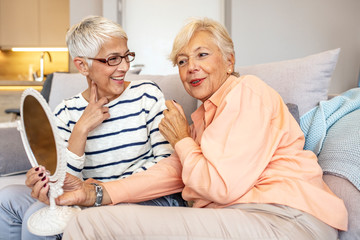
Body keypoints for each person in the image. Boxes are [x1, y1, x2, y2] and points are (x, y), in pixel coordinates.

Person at [35, 17, 347, 240]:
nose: (191, 67)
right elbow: (173, 172)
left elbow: (220, 186)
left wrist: (182, 140)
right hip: (242, 217)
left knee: (90, 226)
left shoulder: (247, 92)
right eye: (182, 61)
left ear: (229, 61)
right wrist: (96, 192)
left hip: (284, 218)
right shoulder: (202, 117)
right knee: (93, 217)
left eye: (202, 55)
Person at [0, 16, 185, 240]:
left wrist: (101, 193)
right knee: (7, 197)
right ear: (82, 65)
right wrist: (81, 130)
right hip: (83, 196)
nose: (125, 67)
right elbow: (66, 185)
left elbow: (166, 164)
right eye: (113, 59)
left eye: (126, 56)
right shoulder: (65, 113)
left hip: (138, 197)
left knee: (37, 217)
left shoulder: (146, 94)